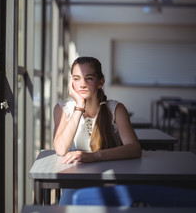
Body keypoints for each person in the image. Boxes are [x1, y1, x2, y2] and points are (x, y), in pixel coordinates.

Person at [53, 56, 142, 204]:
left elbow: (134, 149)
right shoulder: (63, 109)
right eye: (76, 78)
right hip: (76, 181)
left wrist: (95, 156)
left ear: (101, 82)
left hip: (110, 177)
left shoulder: (115, 109)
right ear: (71, 83)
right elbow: (61, 149)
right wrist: (79, 106)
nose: (82, 84)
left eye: (88, 78)